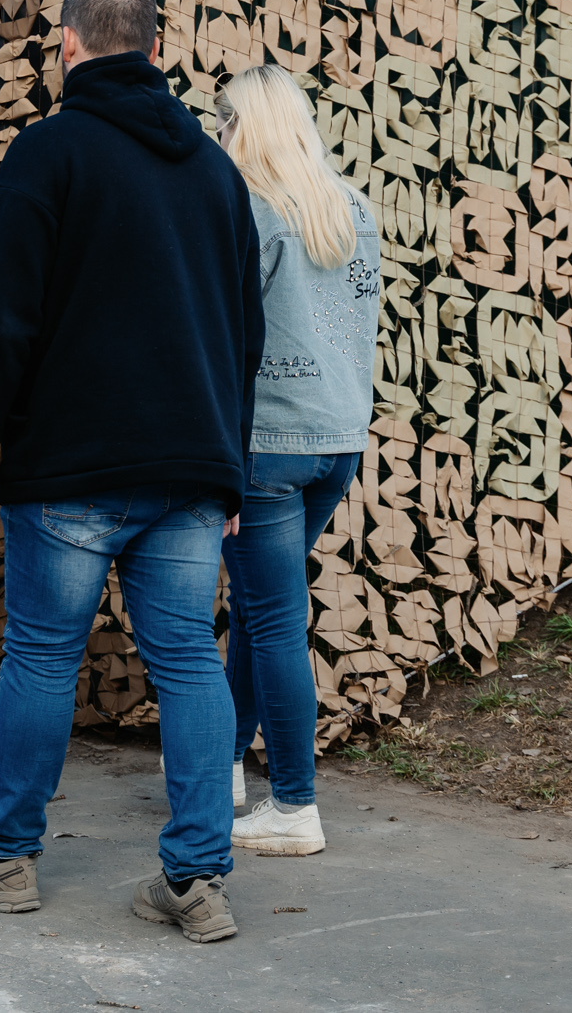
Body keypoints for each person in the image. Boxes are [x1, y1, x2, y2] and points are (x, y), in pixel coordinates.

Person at [0, 0, 264, 945]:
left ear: (67, 48)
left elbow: (3, 319)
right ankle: (195, 881)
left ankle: (1, 859)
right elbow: (247, 333)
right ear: (158, 50)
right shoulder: (213, 171)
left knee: (38, 654)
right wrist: (227, 463)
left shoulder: (48, 153)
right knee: (190, 661)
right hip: (190, 468)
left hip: (72, 463)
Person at [213, 65, 381, 857]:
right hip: (338, 436)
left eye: (226, 119)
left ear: (251, 126)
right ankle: (223, 769)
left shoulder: (248, 208)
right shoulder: (349, 204)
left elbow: (232, 338)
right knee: (259, 605)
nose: (219, 132)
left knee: (274, 618)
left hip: (268, 445)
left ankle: (294, 804)